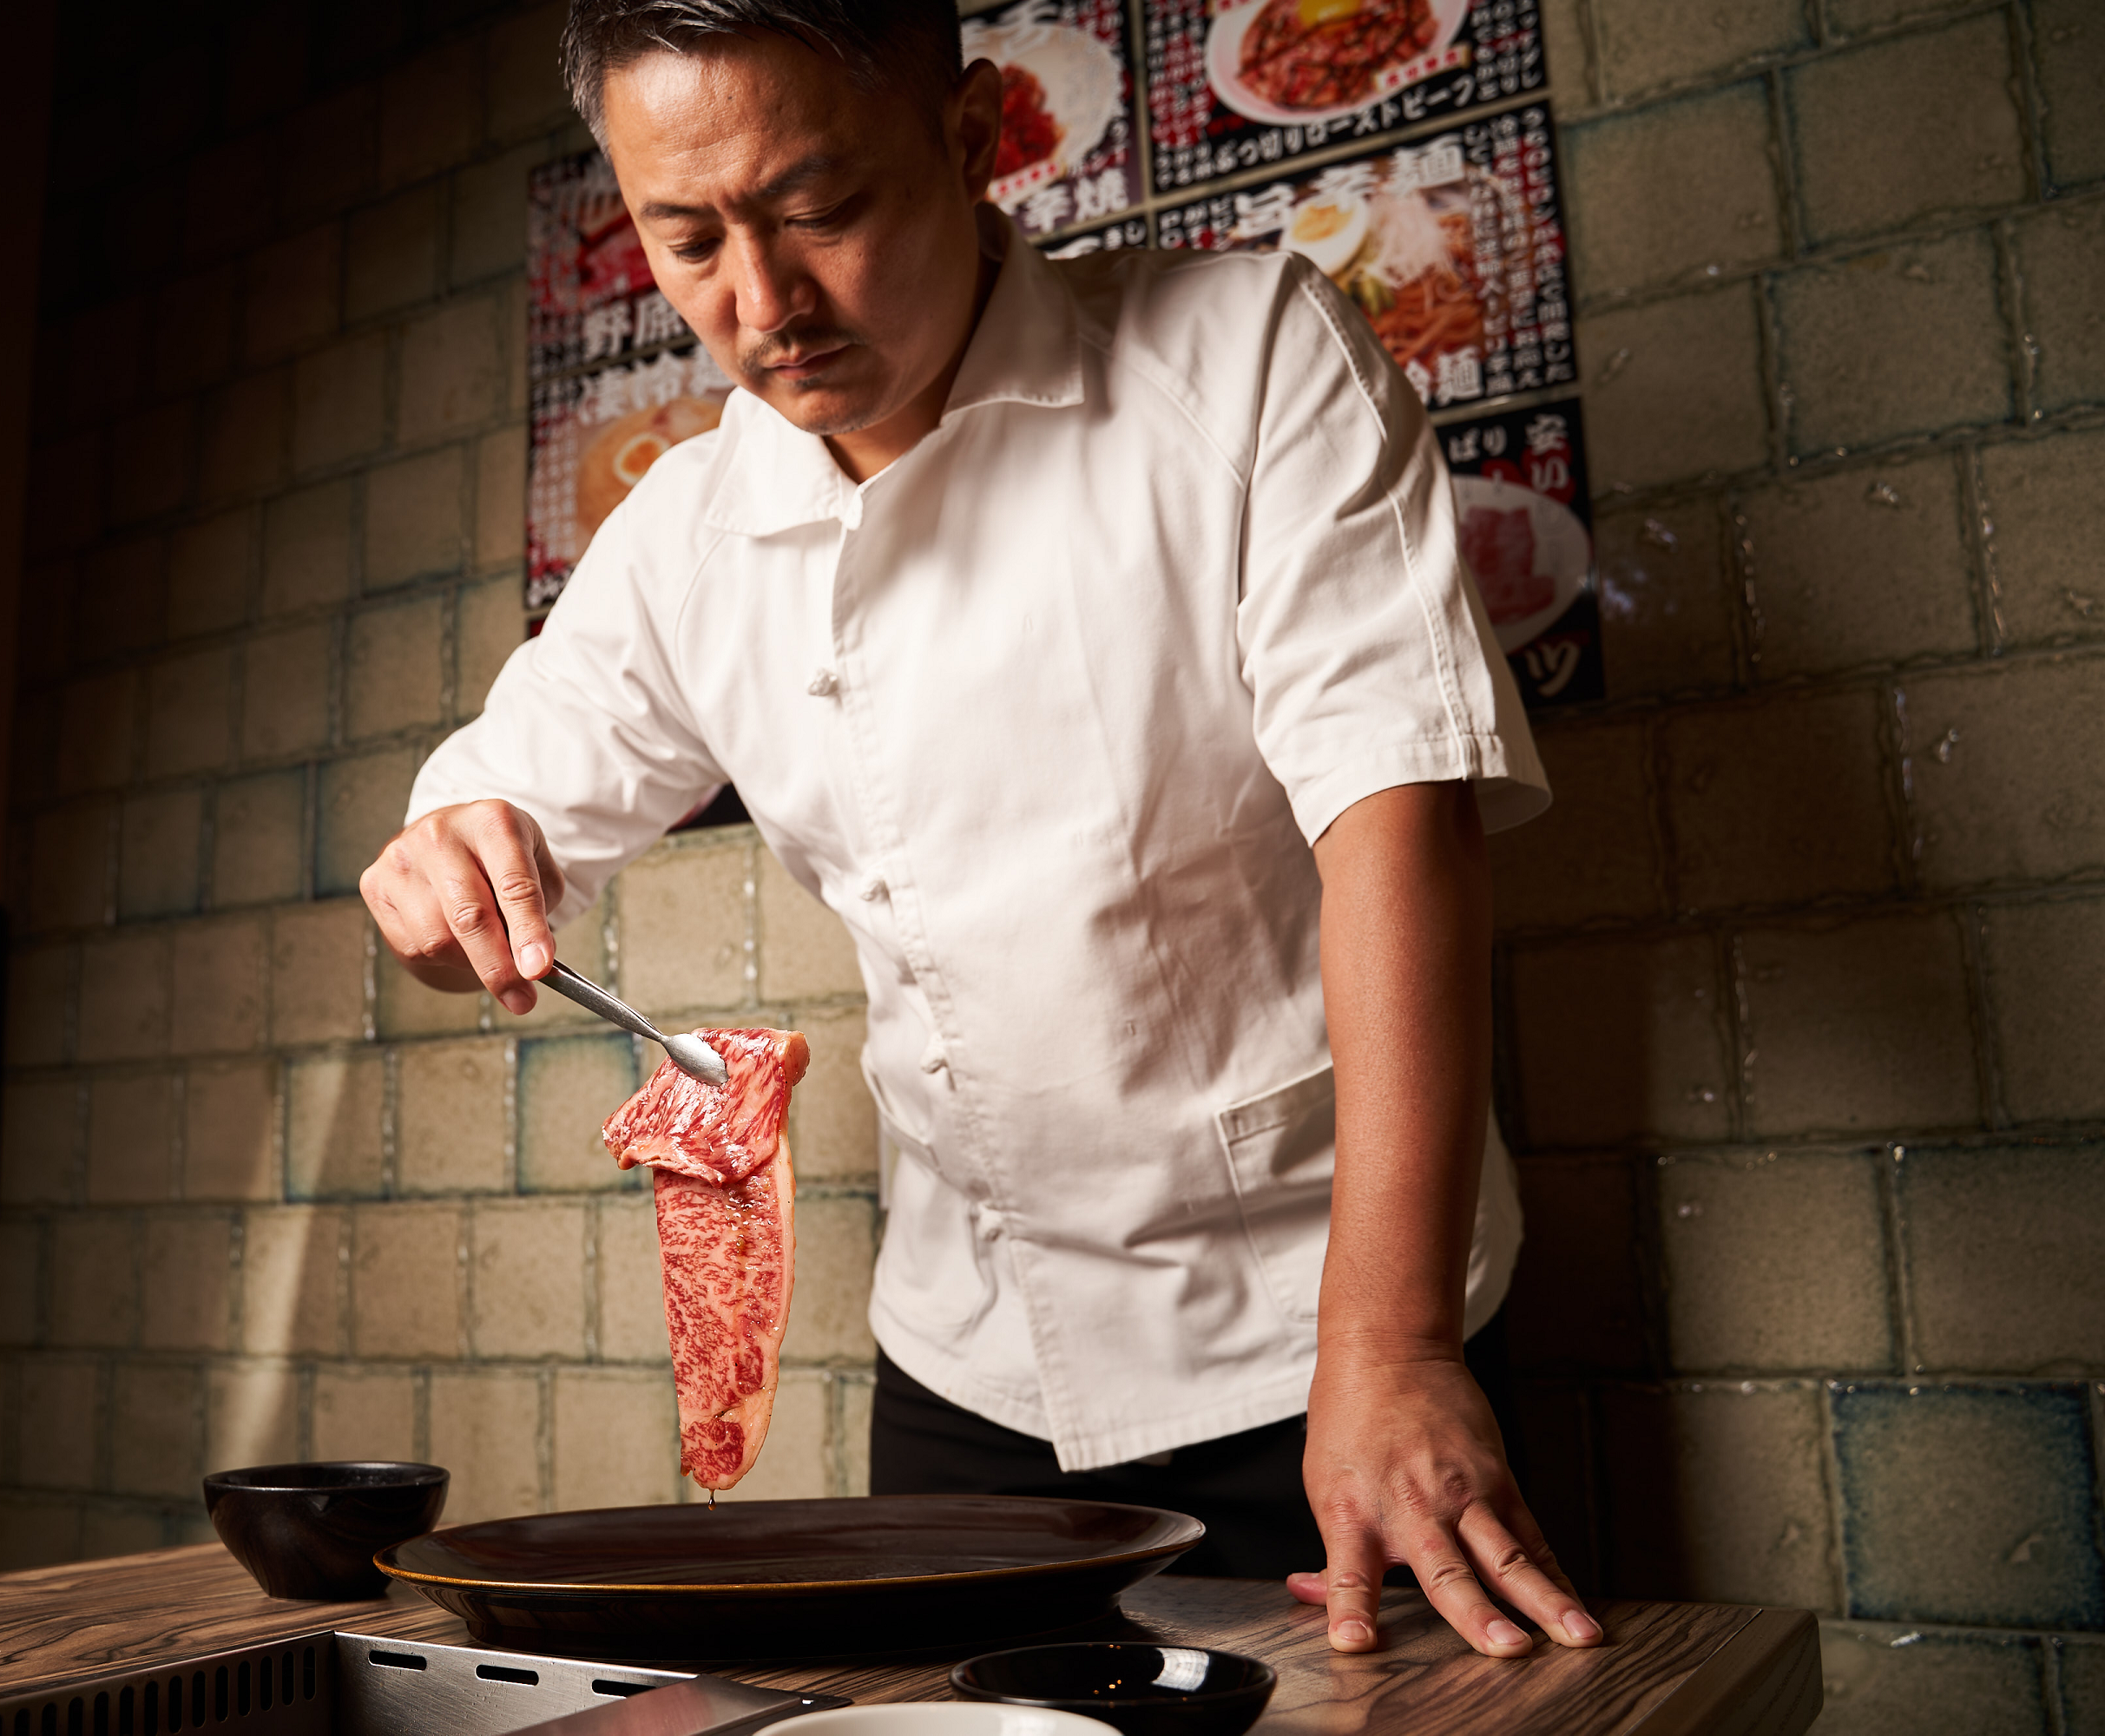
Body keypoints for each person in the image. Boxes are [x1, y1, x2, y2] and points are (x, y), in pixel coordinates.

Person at [359, 0, 1600, 1660]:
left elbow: (1400, 821)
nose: (762, 305)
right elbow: (480, 854)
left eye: (819, 209)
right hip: (969, 1360)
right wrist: (445, 875)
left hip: (1323, 1318)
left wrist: (1395, 1348)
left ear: (973, 135)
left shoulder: (1244, 356)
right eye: (690, 240)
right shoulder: (682, 532)